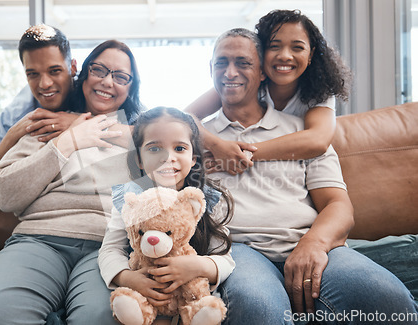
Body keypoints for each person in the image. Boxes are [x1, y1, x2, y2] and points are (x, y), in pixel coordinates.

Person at [204, 28, 417, 324]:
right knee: (257, 307)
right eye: (221, 62)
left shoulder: (302, 134)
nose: (230, 72)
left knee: (387, 298)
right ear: (210, 69)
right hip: (239, 249)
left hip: (308, 241)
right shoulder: (193, 138)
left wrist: (314, 244)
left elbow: (338, 205)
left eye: (243, 63)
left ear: (263, 72)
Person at [0, 39, 143, 325]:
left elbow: (181, 148)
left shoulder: (142, 138)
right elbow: (7, 195)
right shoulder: (45, 124)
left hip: (108, 245)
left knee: (103, 317)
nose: (108, 82)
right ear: (82, 75)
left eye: (121, 76)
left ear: (131, 88)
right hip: (39, 239)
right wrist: (66, 143)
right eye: (99, 70)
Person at [98, 107, 235, 325]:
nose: (168, 158)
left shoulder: (203, 198)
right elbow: (110, 249)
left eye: (179, 148)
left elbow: (225, 258)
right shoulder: (131, 199)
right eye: (154, 149)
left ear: (193, 158)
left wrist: (197, 266)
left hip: (190, 296)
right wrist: (128, 278)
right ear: (139, 160)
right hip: (145, 296)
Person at [185, 9, 352, 175]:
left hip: (290, 167)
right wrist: (217, 146)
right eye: (274, 46)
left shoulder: (319, 90)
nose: (285, 56)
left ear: (310, 55)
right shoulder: (247, 84)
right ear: (261, 55)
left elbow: (318, 140)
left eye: (297, 47)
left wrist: (238, 155)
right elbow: (185, 116)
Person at [0, 24, 81, 211]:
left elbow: (139, 131)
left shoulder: (94, 91)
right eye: (33, 74)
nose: (45, 84)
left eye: (54, 71)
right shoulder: (18, 112)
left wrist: (76, 122)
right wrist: (11, 137)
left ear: (73, 67)